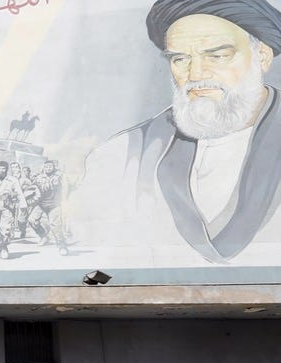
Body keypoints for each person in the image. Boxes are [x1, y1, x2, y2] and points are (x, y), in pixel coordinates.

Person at [81, 0, 281, 263]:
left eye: (217, 55)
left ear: (262, 56)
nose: (196, 73)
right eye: (180, 59)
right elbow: (95, 268)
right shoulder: (119, 157)